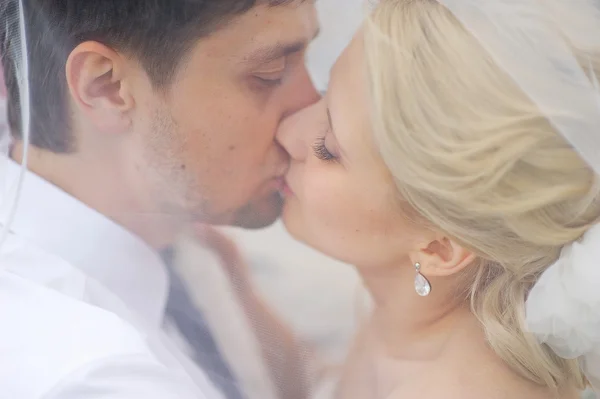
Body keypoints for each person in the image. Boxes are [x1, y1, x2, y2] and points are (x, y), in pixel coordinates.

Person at [276, 0, 600, 398]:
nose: (288, 131)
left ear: (439, 248)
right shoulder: (413, 327)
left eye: (328, 148)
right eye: (326, 93)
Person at [0, 1, 320, 398]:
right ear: (107, 88)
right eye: (268, 74)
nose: (312, 117)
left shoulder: (177, 231)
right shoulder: (92, 377)